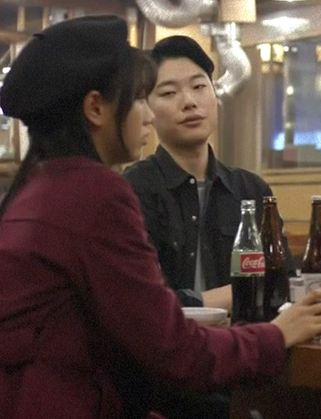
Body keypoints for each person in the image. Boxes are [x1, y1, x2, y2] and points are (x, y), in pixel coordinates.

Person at [0, 16, 321, 419]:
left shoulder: (27, 192)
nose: (149, 115)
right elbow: (174, 351)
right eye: (141, 98)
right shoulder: (95, 194)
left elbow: (101, 361)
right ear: (96, 108)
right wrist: (277, 335)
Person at [124, 35, 291, 310]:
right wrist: (236, 294)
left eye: (199, 86)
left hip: (245, 334)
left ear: (215, 94)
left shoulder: (251, 190)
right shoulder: (133, 189)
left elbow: (283, 284)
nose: (189, 101)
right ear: (148, 109)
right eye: (169, 93)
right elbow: (140, 300)